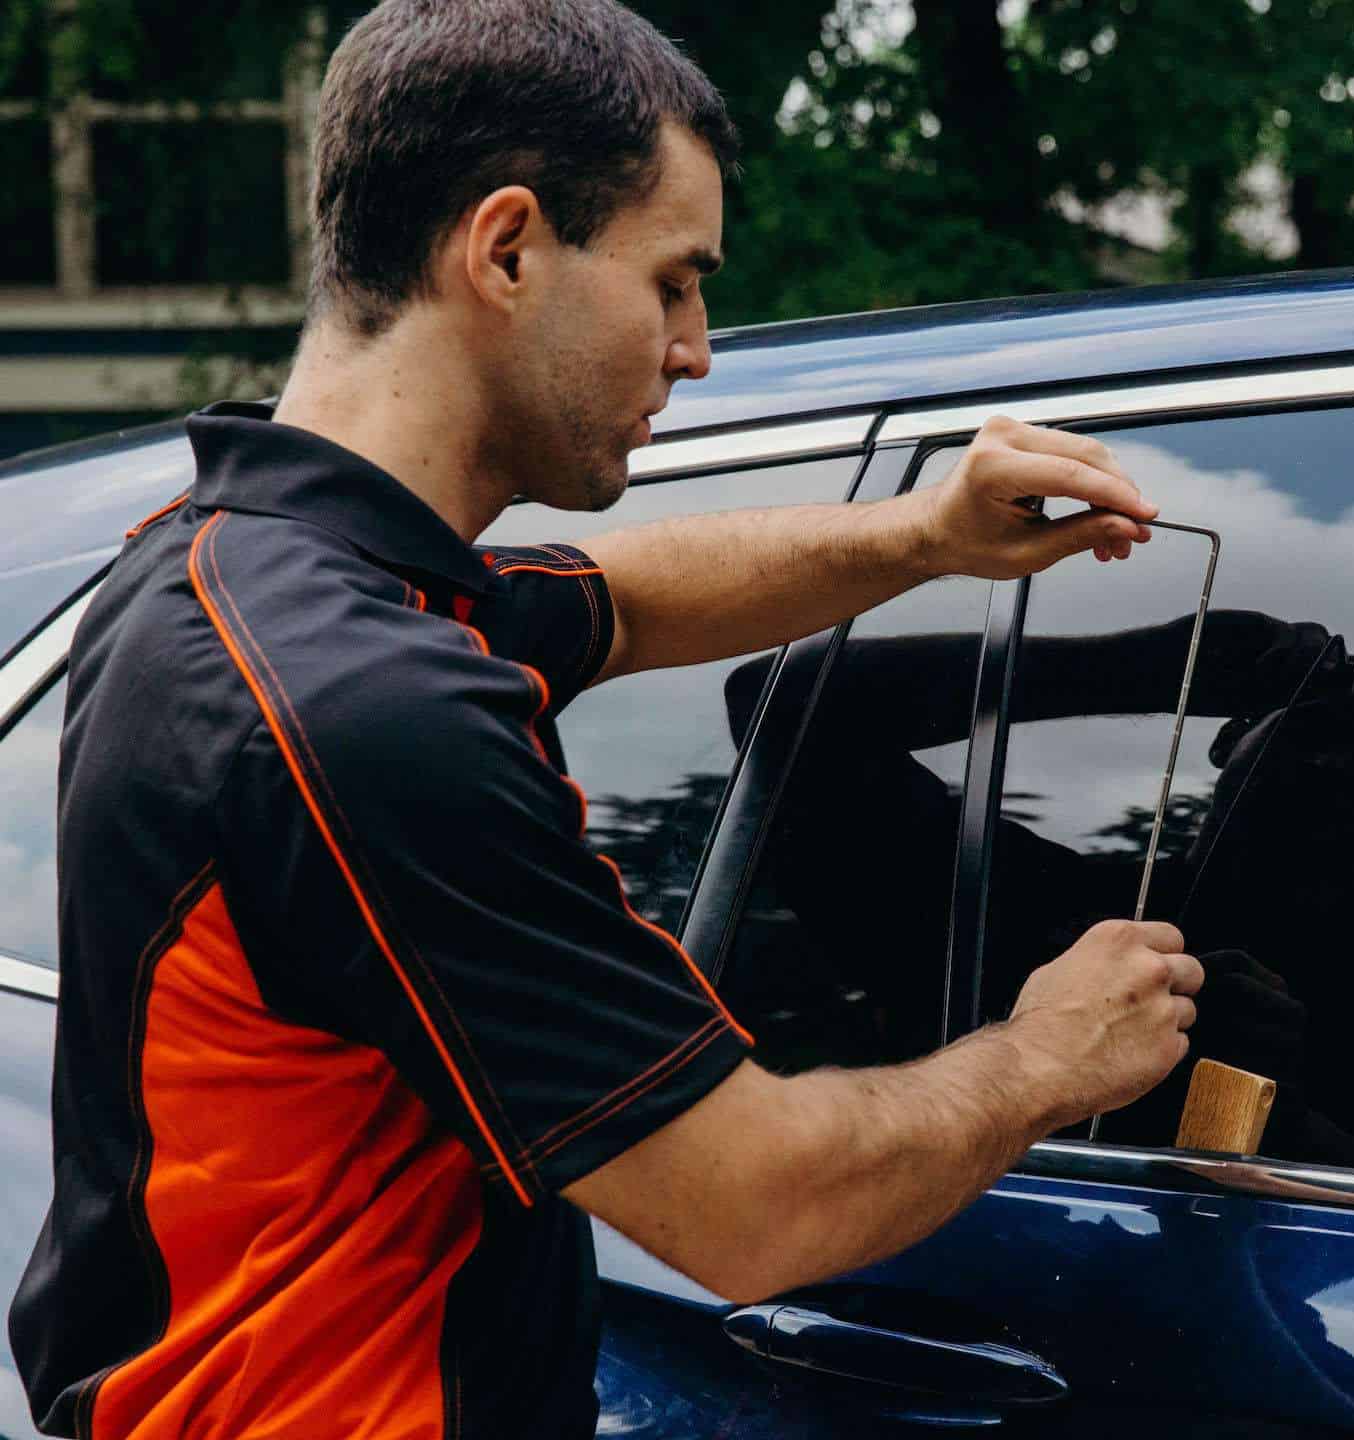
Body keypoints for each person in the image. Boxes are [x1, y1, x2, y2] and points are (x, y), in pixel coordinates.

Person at [8, 2, 1202, 1436]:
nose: (696, 349)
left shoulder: (224, 570)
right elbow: (753, 1207)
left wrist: (925, 535)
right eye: (675, 282)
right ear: (507, 249)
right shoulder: (363, 708)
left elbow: (621, 602)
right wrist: (1046, 1054)